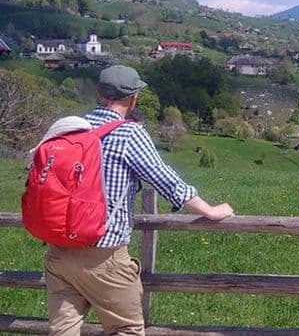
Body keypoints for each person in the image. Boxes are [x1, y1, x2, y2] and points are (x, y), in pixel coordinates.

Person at [44, 65, 234, 335]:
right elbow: (167, 180)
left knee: (63, 331)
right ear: (133, 99)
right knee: (126, 329)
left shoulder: (72, 128)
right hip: (104, 255)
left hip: (59, 252)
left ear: (99, 93)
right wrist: (210, 210)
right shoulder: (129, 134)